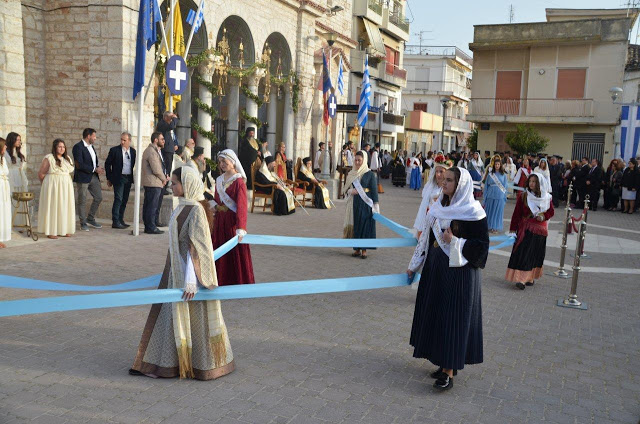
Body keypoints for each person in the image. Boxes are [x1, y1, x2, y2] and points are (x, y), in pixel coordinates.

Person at [130, 166, 235, 381]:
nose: (172, 186)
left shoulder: (196, 210)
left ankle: (200, 364)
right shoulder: (181, 207)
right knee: (171, 316)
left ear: (187, 184)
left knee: (193, 319)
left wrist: (191, 281)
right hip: (174, 271)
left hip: (189, 276)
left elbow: (197, 248)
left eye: (176, 182)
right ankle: (167, 363)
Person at [407, 167, 488, 391]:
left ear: (461, 185)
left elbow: (482, 250)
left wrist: (455, 241)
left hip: (459, 274)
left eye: (450, 180)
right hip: (436, 269)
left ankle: (449, 372)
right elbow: (426, 237)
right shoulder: (438, 206)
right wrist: (414, 264)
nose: (444, 183)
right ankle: (443, 362)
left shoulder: (473, 212)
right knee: (437, 315)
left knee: (452, 318)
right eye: (444, 179)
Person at [212, 149, 255, 285]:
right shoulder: (219, 180)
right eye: (220, 162)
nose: (222, 164)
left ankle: (236, 281)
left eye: (224, 161)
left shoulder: (238, 182)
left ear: (232, 162)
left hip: (232, 222)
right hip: (220, 220)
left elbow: (242, 206)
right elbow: (216, 199)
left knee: (233, 251)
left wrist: (241, 227)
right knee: (219, 248)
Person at [506, 173, 554, 290]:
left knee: (535, 254)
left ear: (539, 184)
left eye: (534, 182)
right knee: (524, 253)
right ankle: (521, 279)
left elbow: (551, 212)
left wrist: (543, 216)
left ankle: (530, 277)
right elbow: (516, 214)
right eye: (530, 181)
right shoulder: (524, 196)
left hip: (540, 231)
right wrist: (513, 229)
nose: (531, 184)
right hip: (526, 230)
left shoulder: (546, 198)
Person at [342, 151, 379, 259]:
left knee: (365, 225)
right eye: (356, 160)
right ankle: (357, 249)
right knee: (356, 225)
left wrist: (376, 204)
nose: (357, 162)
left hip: (366, 203)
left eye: (359, 160)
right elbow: (346, 189)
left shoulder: (370, 174)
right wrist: (350, 191)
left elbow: (374, 190)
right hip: (355, 203)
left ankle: (364, 250)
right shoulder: (351, 173)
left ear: (364, 161)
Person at [37, 139, 76, 239]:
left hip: (65, 187)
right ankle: (51, 231)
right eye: (59, 146)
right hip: (53, 186)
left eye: (63, 147)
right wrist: (46, 187)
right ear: (55, 147)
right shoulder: (49, 158)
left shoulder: (67, 159)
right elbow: (41, 174)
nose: (62, 148)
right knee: (53, 206)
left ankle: (64, 229)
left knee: (64, 206)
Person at [73, 128, 104, 231]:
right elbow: (79, 165)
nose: (95, 138)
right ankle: (83, 223)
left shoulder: (91, 147)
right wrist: (94, 169)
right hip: (83, 177)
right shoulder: (78, 147)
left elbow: (92, 162)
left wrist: (98, 168)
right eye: (94, 136)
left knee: (98, 197)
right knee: (82, 200)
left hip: (93, 176)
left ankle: (90, 218)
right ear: (88, 136)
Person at [412, 154, 452, 235]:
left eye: (441, 172)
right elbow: (424, 198)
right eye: (436, 171)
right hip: (427, 219)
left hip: (440, 224)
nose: (438, 174)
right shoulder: (431, 186)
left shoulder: (448, 189)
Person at [105, 132, 136, 229]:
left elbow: (133, 164)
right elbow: (107, 164)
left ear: (129, 141)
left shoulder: (133, 152)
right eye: (121, 140)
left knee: (124, 199)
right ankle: (115, 221)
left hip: (128, 178)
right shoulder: (114, 150)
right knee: (118, 198)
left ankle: (121, 219)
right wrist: (109, 178)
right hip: (118, 178)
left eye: (124, 140)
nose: (122, 142)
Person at [141, 132, 169, 234]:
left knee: (149, 205)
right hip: (153, 182)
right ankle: (151, 227)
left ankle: (149, 226)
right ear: (155, 140)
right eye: (162, 139)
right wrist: (164, 179)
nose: (164, 141)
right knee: (152, 206)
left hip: (153, 182)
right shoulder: (151, 151)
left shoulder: (154, 151)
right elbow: (156, 169)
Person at [5, 132, 28, 227]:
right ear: (12, 140)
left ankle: (20, 223)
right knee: (12, 199)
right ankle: (11, 223)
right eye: (17, 140)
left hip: (20, 176)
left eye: (19, 140)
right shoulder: (6, 153)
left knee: (20, 200)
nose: (19, 141)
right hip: (12, 177)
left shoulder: (18, 153)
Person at [483, 156, 508, 233]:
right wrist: (485, 196)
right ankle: (488, 226)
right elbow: (486, 185)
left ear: (500, 165)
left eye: (498, 164)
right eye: (496, 164)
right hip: (491, 194)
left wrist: (504, 196)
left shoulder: (503, 175)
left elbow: (505, 186)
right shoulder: (491, 174)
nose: (497, 166)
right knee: (490, 211)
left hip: (499, 195)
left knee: (497, 212)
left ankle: (495, 227)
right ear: (494, 165)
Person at [155, 111, 178, 193]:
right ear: (165, 117)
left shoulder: (166, 124)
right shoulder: (162, 124)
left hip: (169, 149)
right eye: (170, 117)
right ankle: (163, 187)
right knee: (166, 168)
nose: (171, 119)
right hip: (166, 150)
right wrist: (175, 119)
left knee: (168, 168)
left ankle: (165, 187)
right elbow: (172, 126)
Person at [0, 138, 11, 248]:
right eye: (4, 145)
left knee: (3, 211)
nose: (6, 147)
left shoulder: (2, 159)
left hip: (4, 187)